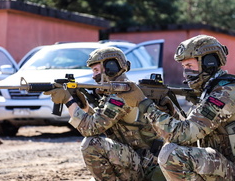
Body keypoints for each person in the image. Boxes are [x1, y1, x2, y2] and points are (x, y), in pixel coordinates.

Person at [136, 35, 235, 180]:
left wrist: (143, 104)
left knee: (172, 155)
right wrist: (170, 110)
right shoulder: (211, 90)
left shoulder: (227, 93)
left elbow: (183, 134)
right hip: (233, 168)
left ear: (209, 63)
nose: (186, 72)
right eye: (184, 67)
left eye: (190, 66)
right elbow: (192, 132)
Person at [44, 47, 166, 181]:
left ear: (111, 67)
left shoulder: (123, 95)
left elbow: (91, 129)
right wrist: (84, 107)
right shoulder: (118, 92)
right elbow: (99, 119)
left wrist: (68, 100)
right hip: (134, 158)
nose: (93, 76)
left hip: (144, 165)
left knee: (91, 144)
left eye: (96, 70)